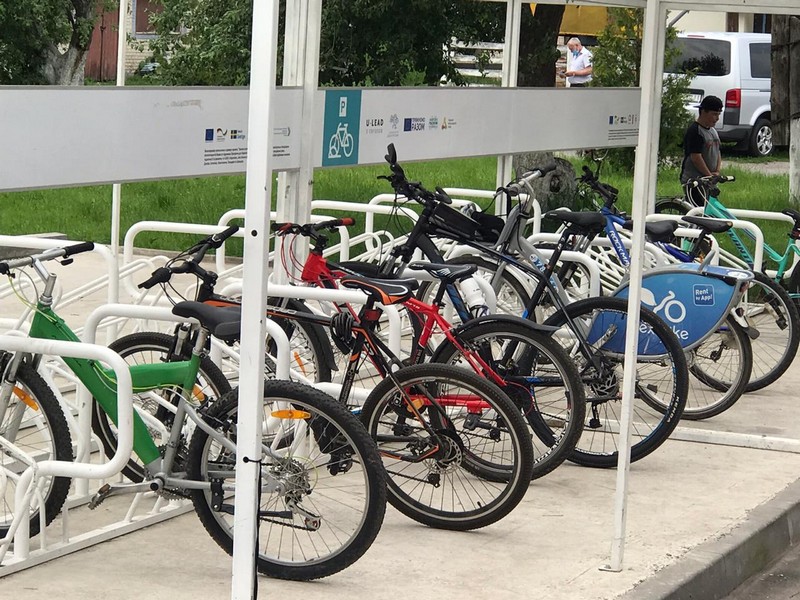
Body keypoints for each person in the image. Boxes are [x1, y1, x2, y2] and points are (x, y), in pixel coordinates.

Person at [680, 95, 723, 206]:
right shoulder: (695, 131)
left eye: (719, 114)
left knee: (711, 209)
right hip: (695, 181)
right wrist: (709, 175)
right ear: (703, 111)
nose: (717, 118)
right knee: (698, 210)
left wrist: (717, 172)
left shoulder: (713, 131)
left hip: (709, 180)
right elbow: (696, 157)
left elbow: (718, 152)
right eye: (714, 114)